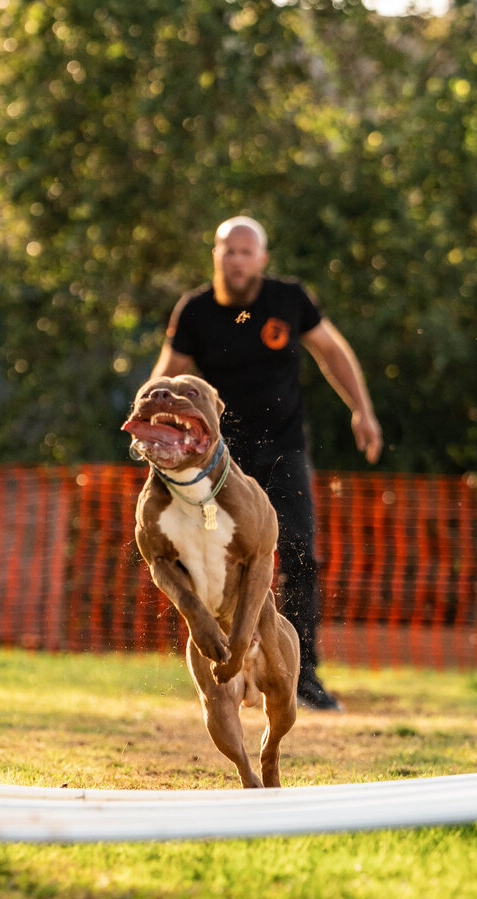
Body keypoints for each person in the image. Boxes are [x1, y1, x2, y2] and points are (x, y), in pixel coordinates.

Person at [151, 215, 383, 711]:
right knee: (208, 558)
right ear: (216, 256)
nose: (237, 261)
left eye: (246, 252)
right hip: (217, 463)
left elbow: (332, 352)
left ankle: (301, 676)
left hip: (283, 449)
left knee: (298, 555)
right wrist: (150, 425)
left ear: (262, 258)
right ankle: (224, 670)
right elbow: (167, 377)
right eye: (228, 251)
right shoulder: (195, 311)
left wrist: (361, 410)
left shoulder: (288, 300)